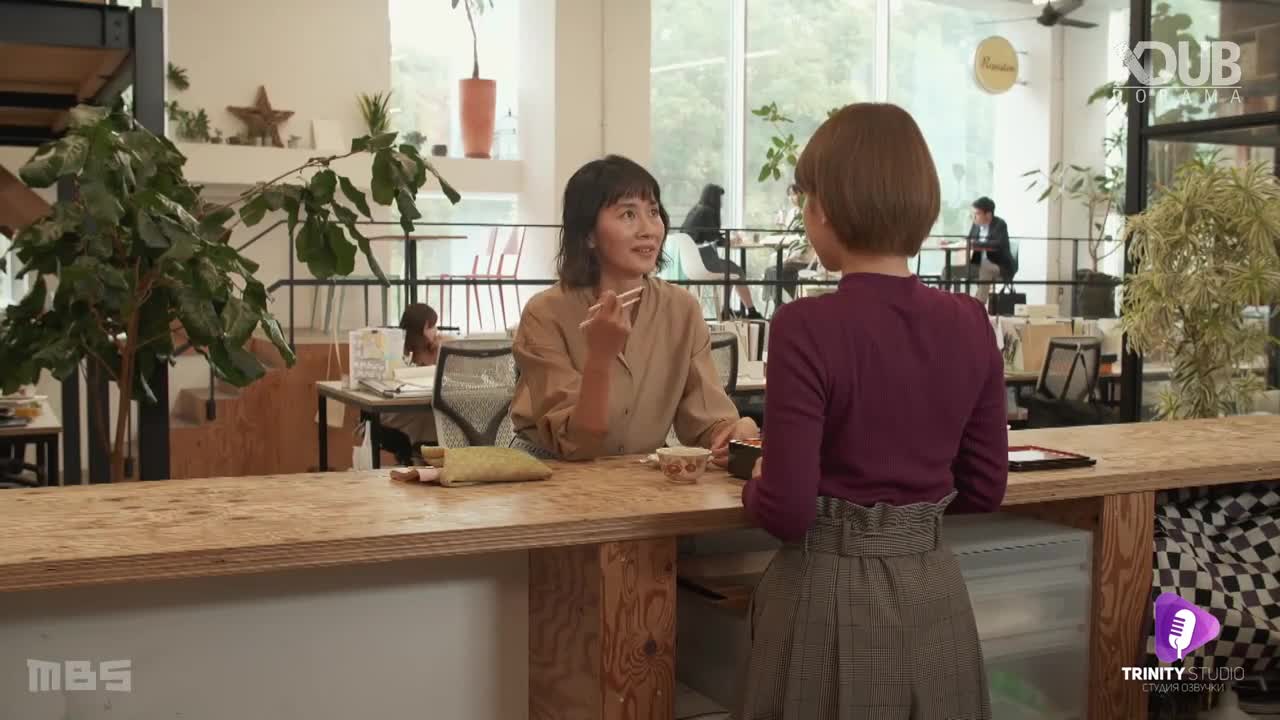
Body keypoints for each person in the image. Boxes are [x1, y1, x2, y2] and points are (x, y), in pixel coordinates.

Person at [737, 103, 1008, 719]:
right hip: (936, 595)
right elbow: (985, 487)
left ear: (825, 209)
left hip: (826, 597)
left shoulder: (805, 325)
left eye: (805, 198)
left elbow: (787, 510)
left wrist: (756, 481)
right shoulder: (970, 321)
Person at [510, 155, 758, 461]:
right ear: (588, 234)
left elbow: (706, 422)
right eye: (628, 214)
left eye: (653, 212)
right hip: (549, 473)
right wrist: (600, 358)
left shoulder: (682, 309)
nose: (649, 229)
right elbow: (576, 444)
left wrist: (733, 431)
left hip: (638, 474)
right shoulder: (544, 313)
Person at [681, 184, 763, 320]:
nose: (722, 202)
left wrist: (725, 239)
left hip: (689, 264)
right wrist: (729, 240)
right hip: (703, 261)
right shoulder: (707, 212)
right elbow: (714, 238)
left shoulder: (695, 210)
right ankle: (751, 311)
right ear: (715, 198)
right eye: (720, 198)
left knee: (730, 272)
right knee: (737, 272)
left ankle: (726, 309)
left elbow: (706, 235)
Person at [378, 303, 449, 459]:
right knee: (434, 419)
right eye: (433, 326)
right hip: (398, 414)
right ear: (424, 327)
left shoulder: (434, 349)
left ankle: (424, 457)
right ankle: (422, 456)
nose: (436, 331)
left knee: (437, 417)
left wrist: (446, 347)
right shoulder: (400, 351)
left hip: (411, 412)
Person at [966, 196, 1013, 306]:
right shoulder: (976, 225)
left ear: (988, 215)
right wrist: (950, 242)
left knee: (985, 267)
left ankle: (978, 307)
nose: (974, 217)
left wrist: (974, 243)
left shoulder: (1000, 224)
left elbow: (998, 244)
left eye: (977, 214)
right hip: (976, 264)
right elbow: (968, 240)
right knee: (948, 270)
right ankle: (946, 305)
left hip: (999, 265)